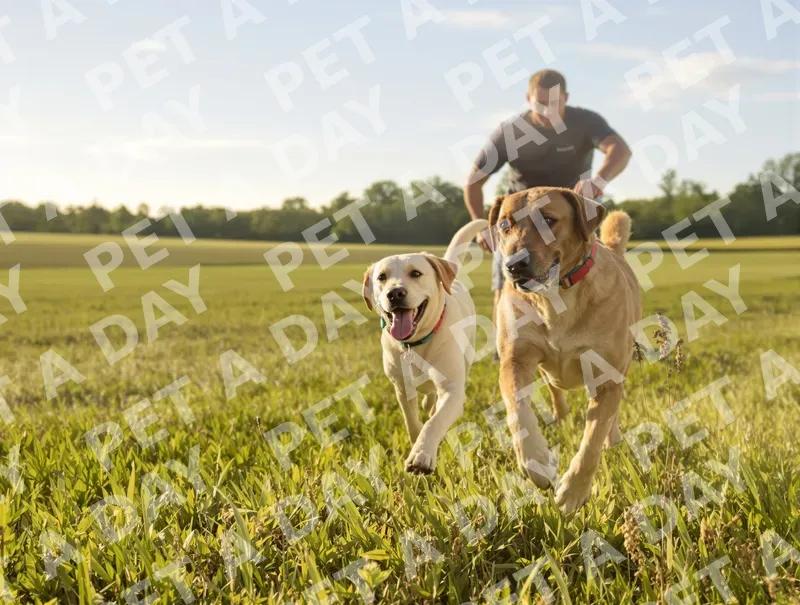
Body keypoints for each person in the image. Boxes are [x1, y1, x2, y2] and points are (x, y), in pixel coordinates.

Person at [463, 68, 632, 326]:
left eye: (554, 103)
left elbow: (620, 150)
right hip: (518, 225)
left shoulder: (585, 122)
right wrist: (480, 226)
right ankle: (511, 349)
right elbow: (474, 181)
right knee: (510, 296)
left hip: (569, 221)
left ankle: (585, 342)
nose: (547, 111)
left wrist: (598, 181)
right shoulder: (511, 132)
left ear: (566, 97)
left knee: (587, 286)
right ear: (528, 99)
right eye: (540, 103)